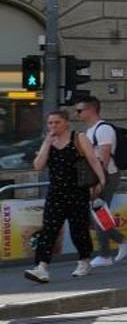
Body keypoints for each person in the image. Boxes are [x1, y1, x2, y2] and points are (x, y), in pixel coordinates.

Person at [23, 111, 108, 283]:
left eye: (57, 122)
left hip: (77, 191)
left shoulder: (79, 137)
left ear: (66, 123)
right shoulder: (49, 142)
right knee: (49, 230)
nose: (53, 126)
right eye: (50, 123)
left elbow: (92, 159)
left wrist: (101, 180)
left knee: (79, 229)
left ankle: (84, 261)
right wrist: (47, 142)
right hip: (56, 193)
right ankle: (42, 267)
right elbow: (38, 166)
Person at [75, 95, 127, 267]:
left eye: (80, 110)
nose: (77, 114)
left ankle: (107, 253)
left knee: (99, 215)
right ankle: (120, 243)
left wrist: (98, 182)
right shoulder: (91, 130)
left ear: (91, 110)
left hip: (106, 176)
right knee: (98, 215)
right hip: (99, 177)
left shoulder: (103, 130)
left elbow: (104, 157)